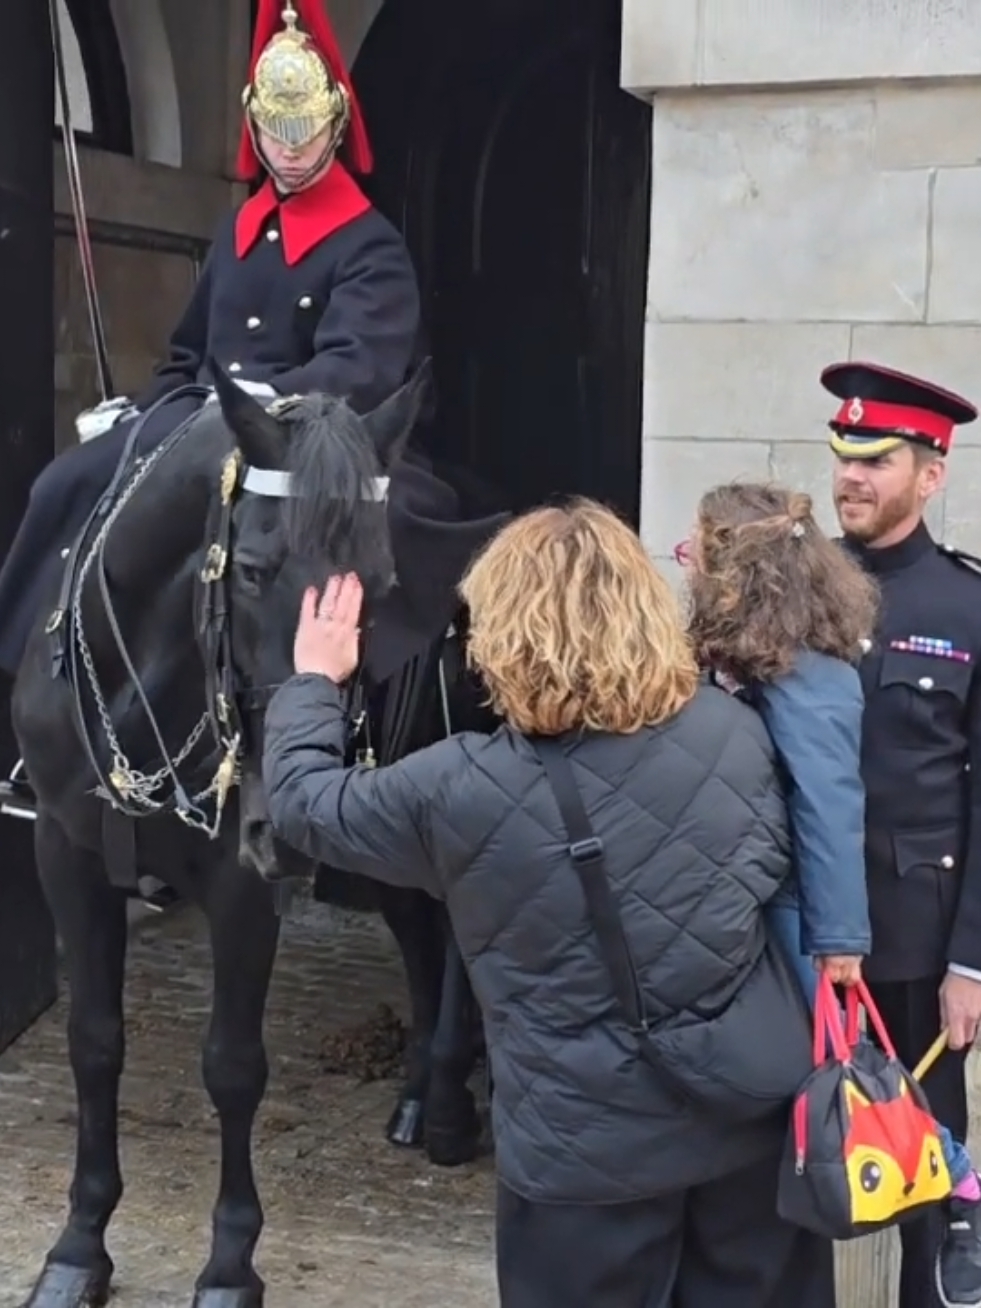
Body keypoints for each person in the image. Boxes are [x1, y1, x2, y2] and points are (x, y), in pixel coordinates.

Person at [262, 499, 835, 1308]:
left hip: (581, 1159)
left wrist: (316, 681)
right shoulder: (731, 732)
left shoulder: (459, 789)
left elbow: (305, 803)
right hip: (747, 1122)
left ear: (501, 630)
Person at [0, 0, 425, 683]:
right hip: (203, 419)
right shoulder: (238, 230)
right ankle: (31, 666)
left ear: (335, 122)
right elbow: (187, 353)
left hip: (299, 443)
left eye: (303, 131)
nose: (288, 148)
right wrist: (140, 410)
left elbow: (361, 368)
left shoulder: (369, 245)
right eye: (274, 130)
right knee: (63, 482)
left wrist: (265, 402)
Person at [683, 479, 981, 1306]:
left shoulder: (822, 670)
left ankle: (957, 1194)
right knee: (821, 1116)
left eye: (697, 553)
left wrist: (843, 942)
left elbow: (830, 807)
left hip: (837, 928)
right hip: (767, 921)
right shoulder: (741, 659)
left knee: (864, 1094)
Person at [823, 359, 981, 1308]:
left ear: (930, 474)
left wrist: (973, 963)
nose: (849, 475)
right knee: (789, 1148)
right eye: (842, 453)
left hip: (913, 936)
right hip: (791, 929)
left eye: (875, 459)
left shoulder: (966, 608)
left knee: (919, 1143)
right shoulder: (788, 588)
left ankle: (940, 1271)